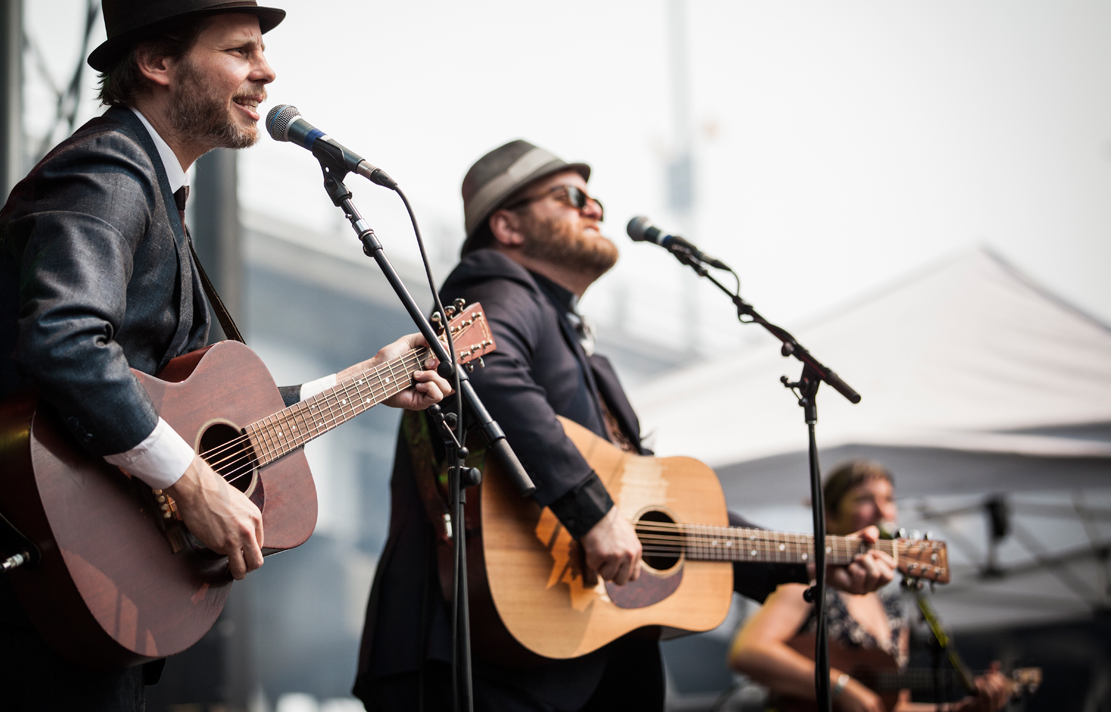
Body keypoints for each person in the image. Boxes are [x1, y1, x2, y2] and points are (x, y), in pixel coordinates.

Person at [0, 0, 450, 711]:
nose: (267, 74)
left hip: (76, 567)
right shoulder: (107, 170)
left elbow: (194, 409)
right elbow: (65, 340)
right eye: (240, 51)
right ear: (160, 62)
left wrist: (366, 381)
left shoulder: (154, 188)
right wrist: (190, 481)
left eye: (264, 54)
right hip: (28, 559)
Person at [353, 140, 897, 712]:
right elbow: (486, 373)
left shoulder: (578, 346)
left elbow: (675, 515)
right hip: (477, 653)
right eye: (571, 196)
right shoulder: (490, 285)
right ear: (507, 225)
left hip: (569, 655)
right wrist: (592, 512)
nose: (596, 209)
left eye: (595, 199)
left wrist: (813, 560)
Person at [729, 460, 1010, 712]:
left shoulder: (893, 609)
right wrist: (839, 687)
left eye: (888, 499)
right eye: (864, 499)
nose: (881, 510)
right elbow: (748, 651)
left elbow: (891, 706)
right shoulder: (807, 582)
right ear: (829, 515)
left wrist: (955, 710)